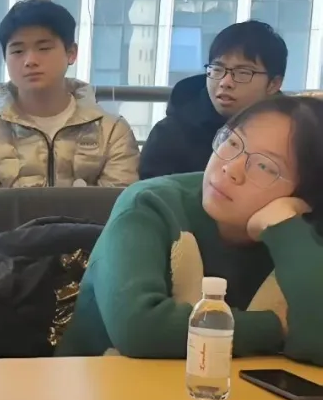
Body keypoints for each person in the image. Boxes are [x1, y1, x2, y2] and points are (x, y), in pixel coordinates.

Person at [59, 95, 323, 366]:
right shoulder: (149, 203)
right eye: (233, 143)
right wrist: (278, 328)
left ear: (308, 192)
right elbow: (139, 328)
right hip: (98, 381)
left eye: (265, 166)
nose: (231, 168)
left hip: (234, 389)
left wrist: (285, 230)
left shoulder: (304, 232)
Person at [0, 0, 139, 189]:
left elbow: (121, 204)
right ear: (5, 58)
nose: (30, 61)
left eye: (44, 48)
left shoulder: (112, 132)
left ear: (71, 53)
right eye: (17, 51)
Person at [140, 20, 286, 179]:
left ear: (273, 84)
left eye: (243, 73)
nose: (225, 82)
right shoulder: (169, 135)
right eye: (217, 69)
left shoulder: (292, 137)